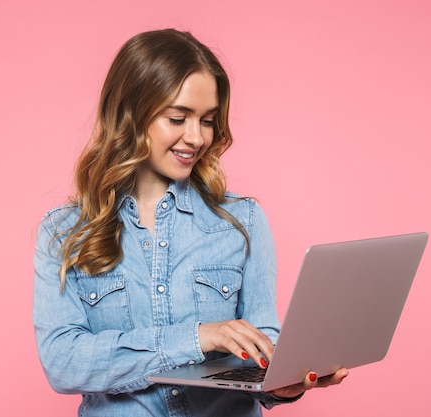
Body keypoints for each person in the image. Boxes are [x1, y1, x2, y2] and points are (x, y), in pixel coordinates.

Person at [33, 28, 348, 416]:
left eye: (208, 120)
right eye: (178, 118)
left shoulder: (243, 221)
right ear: (130, 115)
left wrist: (283, 383)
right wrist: (195, 338)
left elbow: (263, 344)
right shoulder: (64, 231)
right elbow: (64, 363)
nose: (196, 138)